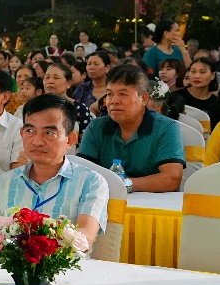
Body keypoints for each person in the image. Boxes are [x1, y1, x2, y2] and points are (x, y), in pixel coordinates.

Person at [0, 94, 105, 249]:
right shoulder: (4, 181)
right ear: (22, 133)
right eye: (30, 131)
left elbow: (85, 237)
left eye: (49, 133)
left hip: (64, 269)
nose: (37, 141)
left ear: (70, 140)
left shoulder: (91, 181)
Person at [78, 62, 185, 193]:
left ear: (144, 98)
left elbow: (171, 179)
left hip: (154, 207)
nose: (113, 101)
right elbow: (81, 173)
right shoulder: (96, 127)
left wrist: (125, 185)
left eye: (122, 94)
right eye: (110, 94)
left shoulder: (166, 127)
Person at [177, 57, 220, 129]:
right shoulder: (175, 97)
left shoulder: (219, 106)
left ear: (212, 75)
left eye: (202, 72)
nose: (197, 76)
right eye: (193, 71)